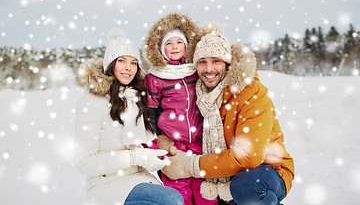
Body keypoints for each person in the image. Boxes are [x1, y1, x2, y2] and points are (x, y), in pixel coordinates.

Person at [161, 30, 295, 205]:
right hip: (226, 176)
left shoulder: (251, 92)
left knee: (246, 187)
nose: (209, 69)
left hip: (268, 171)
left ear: (227, 63)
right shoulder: (201, 96)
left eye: (216, 61)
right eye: (202, 62)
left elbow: (249, 157)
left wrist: (191, 165)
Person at [74, 28, 184, 205]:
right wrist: (135, 157)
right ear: (110, 64)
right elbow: (83, 162)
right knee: (171, 201)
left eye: (133, 63)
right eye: (122, 61)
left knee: (176, 199)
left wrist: (160, 156)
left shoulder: (137, 98)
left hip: (140, 177)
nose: (128, 68)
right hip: (107, 183)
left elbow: (149, 139)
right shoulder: (92, 102)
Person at [143, 13, 217, 205]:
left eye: (179, 42)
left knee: (205, 193)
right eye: (168, 43)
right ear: (160, 49)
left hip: (201, 144)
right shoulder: (155, 77)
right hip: (174, 146)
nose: (174, 47)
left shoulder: (196, 70)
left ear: (187, 46)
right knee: (178, 194)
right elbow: (149, 114)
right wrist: (157, 145)